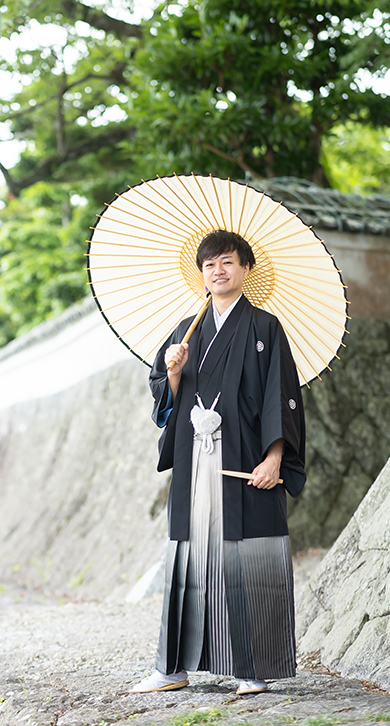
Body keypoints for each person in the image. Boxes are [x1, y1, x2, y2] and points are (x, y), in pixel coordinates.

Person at [130, 230, 306, 696]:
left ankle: (251, 668)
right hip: (195, 462)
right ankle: (173, 667)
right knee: (189, 557)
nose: (218, 272)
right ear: (201, 275)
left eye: (227, 263)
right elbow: (163, 404)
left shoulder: (266, 328)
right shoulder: (184, 331)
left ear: (246, 270)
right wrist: (170, 372)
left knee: (248, 558)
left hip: (244, 461)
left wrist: (275, 457)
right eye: (209, 266)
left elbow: (282, 397)